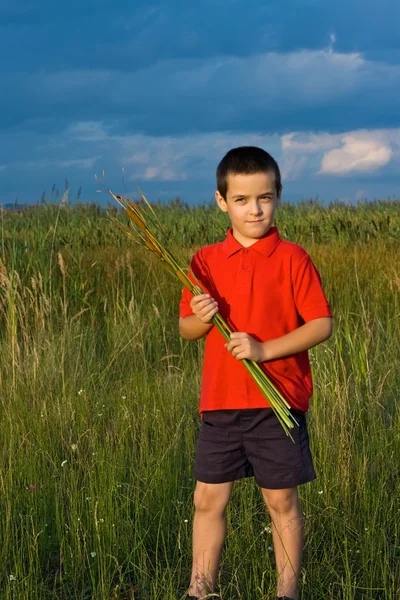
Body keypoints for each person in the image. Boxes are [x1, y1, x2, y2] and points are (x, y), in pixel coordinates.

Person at [179, 146, 333, 600]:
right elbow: (186, 329)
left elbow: (321, 324)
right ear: (222, 201)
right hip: (221, 403)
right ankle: (200, 590)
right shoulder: (204, 261)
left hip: (278, 400)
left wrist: (265, 349)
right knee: (207, 499)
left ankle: (288, 592)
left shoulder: (292, 258)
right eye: (242, 200)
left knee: (280, 501)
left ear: (278, 197)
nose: (255, 209)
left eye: (264, 198)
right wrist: (202, 318)